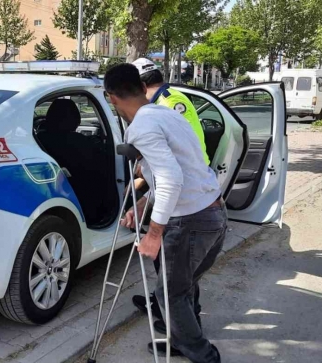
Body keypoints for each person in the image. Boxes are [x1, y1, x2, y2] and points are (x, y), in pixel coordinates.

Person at [104, 63, 225, 362]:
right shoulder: (167, 114)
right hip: (213, 213)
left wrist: (155, 233)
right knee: (182, 287)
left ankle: (204, 355)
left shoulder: (142, 128)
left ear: (111, 98)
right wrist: (143, 204)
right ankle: (183, 340)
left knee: (169, 295)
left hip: (190, 221)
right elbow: (178, 170)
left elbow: (172, 178)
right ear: (142, 88)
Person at [129, 58, 212, 331]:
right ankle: (163, 304)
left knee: (175, 262)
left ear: (141, 86)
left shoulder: (167, 103)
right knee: (174, 265)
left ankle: (177, 319)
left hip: (182, 188)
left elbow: (184, 154)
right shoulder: (162, 102)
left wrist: (144, 178)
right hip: (177, 184)